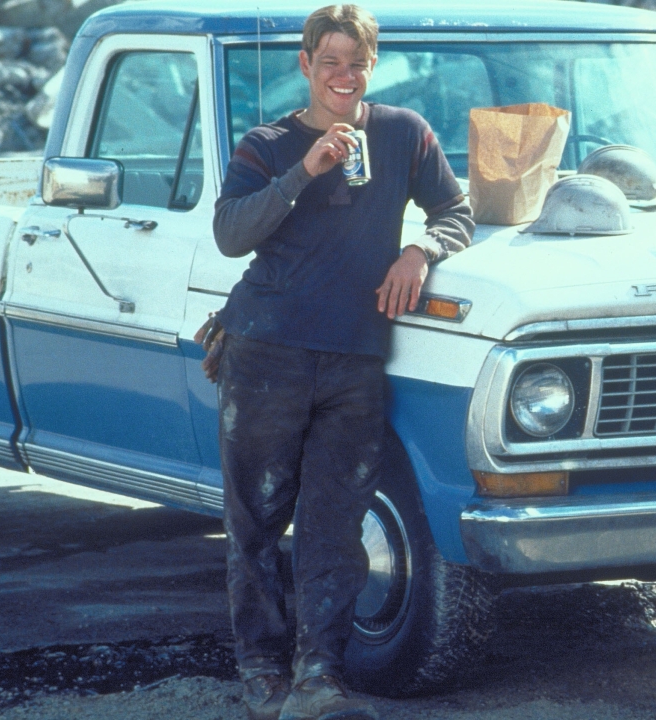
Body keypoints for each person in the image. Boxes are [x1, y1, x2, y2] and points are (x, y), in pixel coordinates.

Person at [210, 5, 473, 719]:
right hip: (266, 353)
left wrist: (420, 250)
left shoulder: (403, 133)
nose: (343, 76)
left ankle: (319, 678)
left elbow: (456, 211)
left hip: (354, 359)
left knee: (335, 527)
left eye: (356, 63)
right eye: (329, 62)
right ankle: (262, 673)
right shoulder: (267, 144)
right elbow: (230, 233)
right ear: (305, 65)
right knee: (257, 521)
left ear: (372, 66)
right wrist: (306, 168)